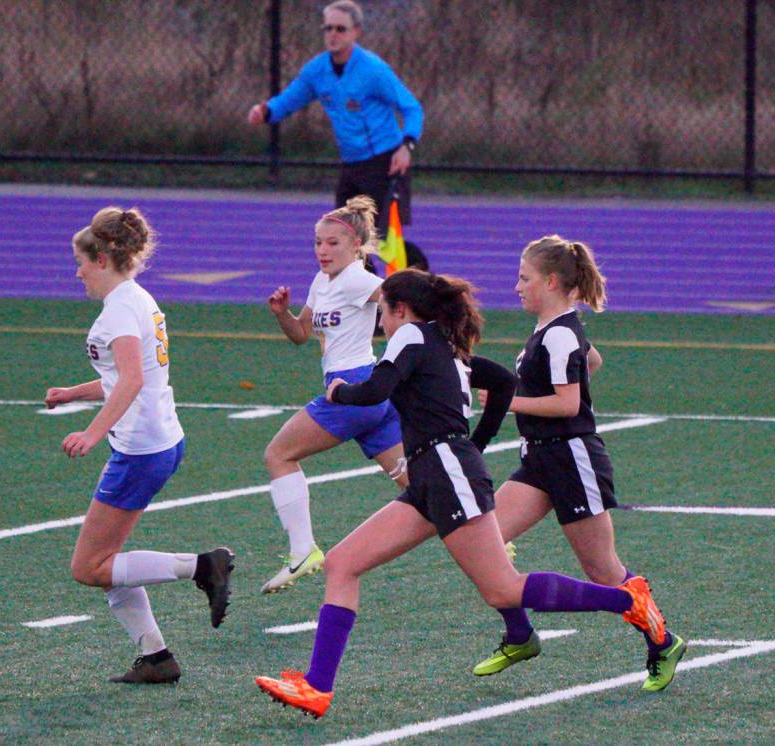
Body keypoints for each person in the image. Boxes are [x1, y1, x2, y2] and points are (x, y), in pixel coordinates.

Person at [254, 269, 669, 719]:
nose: (380, 321)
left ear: (401, 310)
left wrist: (340, 391)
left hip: (446, 471)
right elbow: (503, 382)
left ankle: (627, 599)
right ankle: (316, 687)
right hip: (434, 474)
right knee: (342, 563)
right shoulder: (443, 344)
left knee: (503, 589)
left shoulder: (410, 334)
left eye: (382, 312)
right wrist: (476, 444)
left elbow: (376, 391)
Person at [469, 235, 685, 692]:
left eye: (524, 278)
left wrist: (510, 402)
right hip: (540, 459)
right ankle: (520, 635)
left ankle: (663, 642)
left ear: (551, 281)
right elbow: (592, 360)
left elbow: (568, 405)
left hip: (572, 460)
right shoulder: (554, 330)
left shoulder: (561, 332)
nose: (517, 287)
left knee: (603, 571)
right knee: (483, 541)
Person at [46, 206, 234, 685]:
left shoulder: (119, 311)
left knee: (89, 567)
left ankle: (203, 567)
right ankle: (156, 657)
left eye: (81, 263)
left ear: (102, 259)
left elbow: (130, 380)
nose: (78, 273)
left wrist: (91, 432)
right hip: (160, 439)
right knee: (109, 563)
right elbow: (126, 376)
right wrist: (73, 393)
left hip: (141, 448)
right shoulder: (135, 298)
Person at [260, 196, 406, 594]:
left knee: (278, 455)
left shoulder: (357, 279)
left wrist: (414, 338)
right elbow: (301, 335)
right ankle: (488, 534)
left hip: (352, 389)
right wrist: (283, 314)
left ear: (357, 245)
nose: (322, 250)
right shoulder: (322, 281)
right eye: (318, 243)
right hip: (370, 397)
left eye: (333, 243)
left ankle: (302, 551)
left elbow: (400, 298)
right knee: (420, 488)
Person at [247, 0, 423, 237]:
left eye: (340, 29)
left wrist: (406, 147)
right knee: (344, 238)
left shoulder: (373, 70)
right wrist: (266, 111)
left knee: (385, 242)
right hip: (351, 164)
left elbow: (412, 108)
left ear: (355, 32)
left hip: (384, 162)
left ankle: (407, 264)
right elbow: (289, 100)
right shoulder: (317, 71)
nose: (333, 34)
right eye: (328, 28)